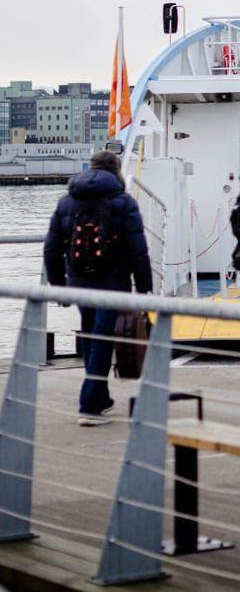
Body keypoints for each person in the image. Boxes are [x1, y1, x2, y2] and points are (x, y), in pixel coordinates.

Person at [43, 151, 152, 426]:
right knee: (102, 340)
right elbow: (137, 250)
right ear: (116, 171)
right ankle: (89, 406)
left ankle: (100, 398)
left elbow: (51, 249)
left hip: (78, 282)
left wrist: (59, 287)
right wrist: (144, 288)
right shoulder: (123, 202)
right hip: (112, 284)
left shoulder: (67, 201)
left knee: (93, 337)